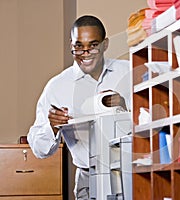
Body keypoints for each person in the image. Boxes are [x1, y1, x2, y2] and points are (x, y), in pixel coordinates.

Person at [27, 15, 130, 199]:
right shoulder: (57, 87)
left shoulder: (128, 72)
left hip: (130, 172)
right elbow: (39, 149)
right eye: (79, 46)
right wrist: (51, 126)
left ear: (105, 44)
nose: (85, 52)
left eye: (93, 45)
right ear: (71, 46)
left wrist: (125, 107)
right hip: (87, 179)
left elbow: (154, 121)